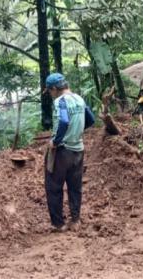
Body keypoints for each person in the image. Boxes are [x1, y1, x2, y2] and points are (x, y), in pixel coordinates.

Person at [45, 73, 95, 232]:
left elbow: (64, 121)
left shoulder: (61, 101)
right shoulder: (79, 99)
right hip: (78, 150)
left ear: (54, 89)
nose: (51, 95)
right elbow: (91, 119)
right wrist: (77, 132)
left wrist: (55, 141)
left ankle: (58, 224)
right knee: (75, 186)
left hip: (62, 151)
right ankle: (75, 220)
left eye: (50, 91)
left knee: (53, 186)